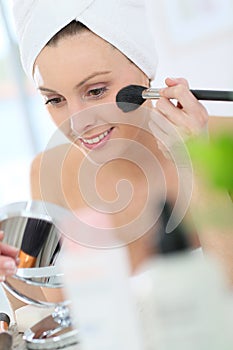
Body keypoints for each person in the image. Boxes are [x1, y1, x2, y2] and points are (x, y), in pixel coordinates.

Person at [11, 1, 233, 280]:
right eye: (55, 100)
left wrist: (199, 166)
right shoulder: (49, 174)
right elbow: (33, 315)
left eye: (96, 91)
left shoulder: (226, 142)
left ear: (144, 73)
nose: (78, 123)